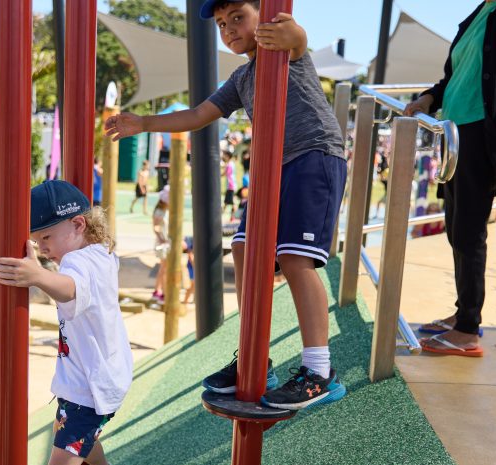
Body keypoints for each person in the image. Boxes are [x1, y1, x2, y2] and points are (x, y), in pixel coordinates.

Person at [105, 0, 348, 411]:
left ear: (263, 15)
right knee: (243, 249)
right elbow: (200, 113)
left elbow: (297, 38)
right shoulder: (243, 76)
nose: (229, 28)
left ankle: (319, 370)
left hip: (315, 156)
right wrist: (145, 124)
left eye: (238, 17)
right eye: (221, 23)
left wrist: (292, 34)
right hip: (276, 167)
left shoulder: (284, 51)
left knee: (294, 260)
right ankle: (257, 359)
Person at [0, 180, 133, 465]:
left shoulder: (82, 261)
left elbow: (71, 287)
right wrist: (43, 271)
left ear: (77, 224)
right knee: (76, 438)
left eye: (47, 239)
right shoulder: (96, 252)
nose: (46, 250)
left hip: (90, 389)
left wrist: (37, 276)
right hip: (86, 383)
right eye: (39, 244)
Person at [405, 0, 496, 357]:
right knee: (456, 228)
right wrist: (429, 98)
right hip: (455, 134)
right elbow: (457, 76)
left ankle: (468, 331)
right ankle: (462, 314)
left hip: (483, 135)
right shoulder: (481, 11)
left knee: (469, 232)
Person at [151, 184, 171, 303]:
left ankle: (157, 291)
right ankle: (162, 292)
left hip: (165, 242)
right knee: (164, 268)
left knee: (163, 268)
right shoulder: (160, 211)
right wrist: (162, 238)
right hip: (162, 243)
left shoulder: (165, 210)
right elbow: (156, 227)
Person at [223, 150, 238, 221]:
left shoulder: (229, 164)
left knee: (231, 202)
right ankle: (231, 217)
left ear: (228, 156)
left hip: (231, 185)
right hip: (231, 185)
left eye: (225, 155)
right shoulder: (230, 163)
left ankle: (233, 217)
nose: (223, 156)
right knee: (227, 202)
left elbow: (226, 173)